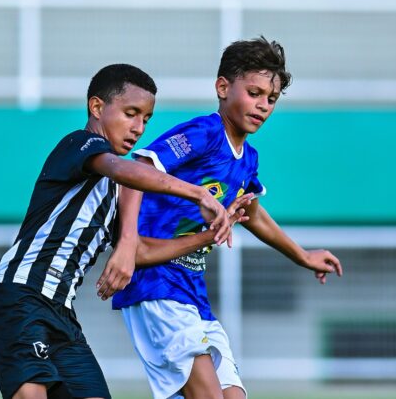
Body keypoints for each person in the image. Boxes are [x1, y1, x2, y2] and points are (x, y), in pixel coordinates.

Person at [0, 63, 242, 399]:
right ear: (97, 107)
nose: (138, 127)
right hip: (18, 296)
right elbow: (123, 168)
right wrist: (197, 191)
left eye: (145, 119)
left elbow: (140, 252)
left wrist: (209, 236)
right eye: (131, 113)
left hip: (61, 313)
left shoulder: (114, 191)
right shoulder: (81, 145)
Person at [111, 37, 344, 399]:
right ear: (223, 87)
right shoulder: (204, 134)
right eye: (254, 92)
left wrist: (303, 255)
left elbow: (251, 212)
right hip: (156, 282)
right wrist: (127, 245)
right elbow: (138, 169)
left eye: (272, 99)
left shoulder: (248, 158)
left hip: (192, 291)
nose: (263, 105)